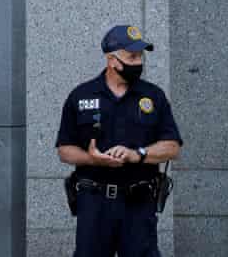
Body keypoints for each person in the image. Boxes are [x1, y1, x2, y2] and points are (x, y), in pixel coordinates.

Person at [56, 25, 183, 257]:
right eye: (131, 56)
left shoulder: (153, 96)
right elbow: (64, 150)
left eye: (140, 56)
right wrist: (92, 160)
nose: (138, 62)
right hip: (94, 205)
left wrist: (138, 154)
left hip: (139, 203)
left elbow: (173, 147)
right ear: (112, 60)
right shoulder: (81, 96)